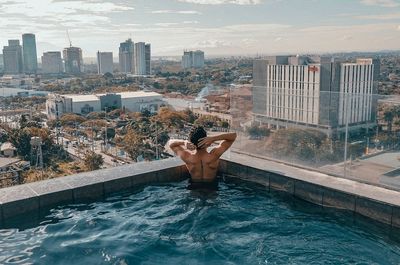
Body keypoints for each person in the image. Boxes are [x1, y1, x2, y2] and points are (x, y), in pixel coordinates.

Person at [169, 126, 237, 190]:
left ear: (191, 141)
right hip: (212, 188)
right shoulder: (214, 155)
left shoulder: (187, 157)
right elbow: (233, 136)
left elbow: (171, 143)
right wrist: (213, 138)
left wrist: (184, 142)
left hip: (194, 188)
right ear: (206, 140)